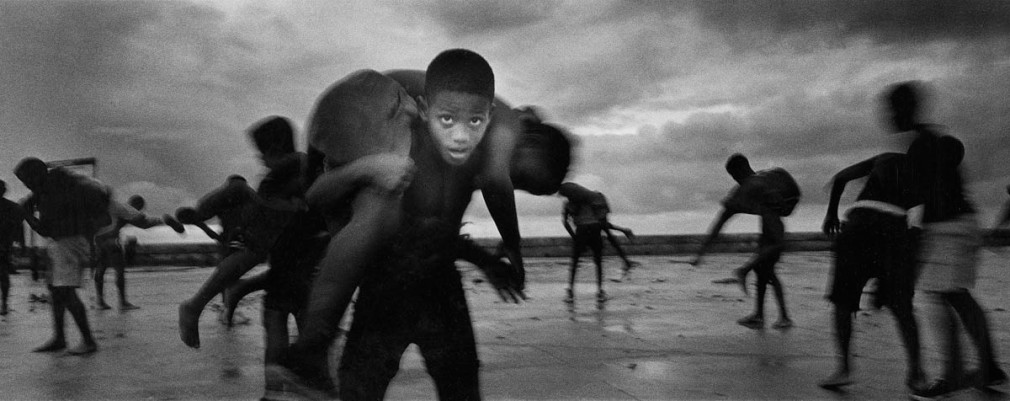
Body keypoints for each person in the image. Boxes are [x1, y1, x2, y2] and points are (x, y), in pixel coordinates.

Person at [276, 49, 564, 400]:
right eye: (519, 177)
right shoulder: (426, 134)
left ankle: (309, 352)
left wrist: (487, 262)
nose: (510, 184)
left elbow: (440, 231)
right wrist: (512, 247)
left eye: (522, 187)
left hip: (435, 285)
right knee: (363, 389)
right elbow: (319, 196)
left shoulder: (463, 151)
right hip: (388, 282)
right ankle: (308, 352)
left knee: (455, 388)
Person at [885, 82, 1007, 400]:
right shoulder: (933, 140)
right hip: (964, 224)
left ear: (904, 109)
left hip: (949, 227)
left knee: (938, 296)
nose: (888, 117)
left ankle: (953, 375)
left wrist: (913, 242)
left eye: (891, 110)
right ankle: (989, 367)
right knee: (957, 296)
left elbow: (926, 199)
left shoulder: (923, 145)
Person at [177, 116, 304, 349]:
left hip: (264, 248)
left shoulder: (272, 181)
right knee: (287, 311)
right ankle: (208, 304)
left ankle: (205, 303)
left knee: (279, 310)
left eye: (263, 156)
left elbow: (204, 214)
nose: (262, 162)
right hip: (290, 257)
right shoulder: (293, 174)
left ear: (274, 150)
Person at [817, 153, 925, 391]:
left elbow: (841, 177)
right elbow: (920, 219)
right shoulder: (927, 170)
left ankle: (843, 370)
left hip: (858, 223)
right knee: (902, 307)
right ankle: (916, 373)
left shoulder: (886, 158)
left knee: (842, 303)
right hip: (893, 228)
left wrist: (831, 213)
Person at [692, 154, 799, 330]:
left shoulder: (749, 188)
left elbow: (719, 223)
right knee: (765, 270)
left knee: (767, 268)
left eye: (734, 176)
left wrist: (700, 254)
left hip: (773, 219)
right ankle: (763, 315)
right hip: (773, 216)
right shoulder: (769, 177)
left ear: (739, 171)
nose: (735, 180)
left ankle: (779, 315)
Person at [15, 157, 107, 355]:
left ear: (36, 176)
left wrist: (26, 215)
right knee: (56, 292)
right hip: (67, 242)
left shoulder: (52, 195)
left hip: (67, 243)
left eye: (26, 180)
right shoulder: (59, 184)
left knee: (65, 292)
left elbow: (46, 230)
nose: (26, 185)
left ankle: (89, 341)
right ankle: (59, 338)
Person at [93, 194, 183, 310]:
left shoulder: (116, 208)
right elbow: (143, 223)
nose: (139, 211)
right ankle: (123, 302)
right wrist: (162, 220)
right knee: (119, 270)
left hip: (99, 239)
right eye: (140, 208)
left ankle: (100, 302)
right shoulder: (127, 210)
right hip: (112, 241)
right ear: (138, 205)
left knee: (101, 268)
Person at [558, 182, 635, 304]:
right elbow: (603, 222)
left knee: (575, 262)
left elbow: (565, 222)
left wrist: (574, 236)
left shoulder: (570, 204)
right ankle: (600, 291)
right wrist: (621, 229)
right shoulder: (594, 200)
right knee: (598, 262)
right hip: (595, 229)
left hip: (581, 231)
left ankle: (570, 292)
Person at [0, 180, 26, 316]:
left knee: (3, 274)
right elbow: (19, 227)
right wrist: (22, 244)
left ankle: (4, 303)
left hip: (4, 245)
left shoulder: (12, 207)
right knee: (3, 274)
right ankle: (4, 303)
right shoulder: (12, 207)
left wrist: (22, 244)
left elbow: (19, 226)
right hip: (5, 245)